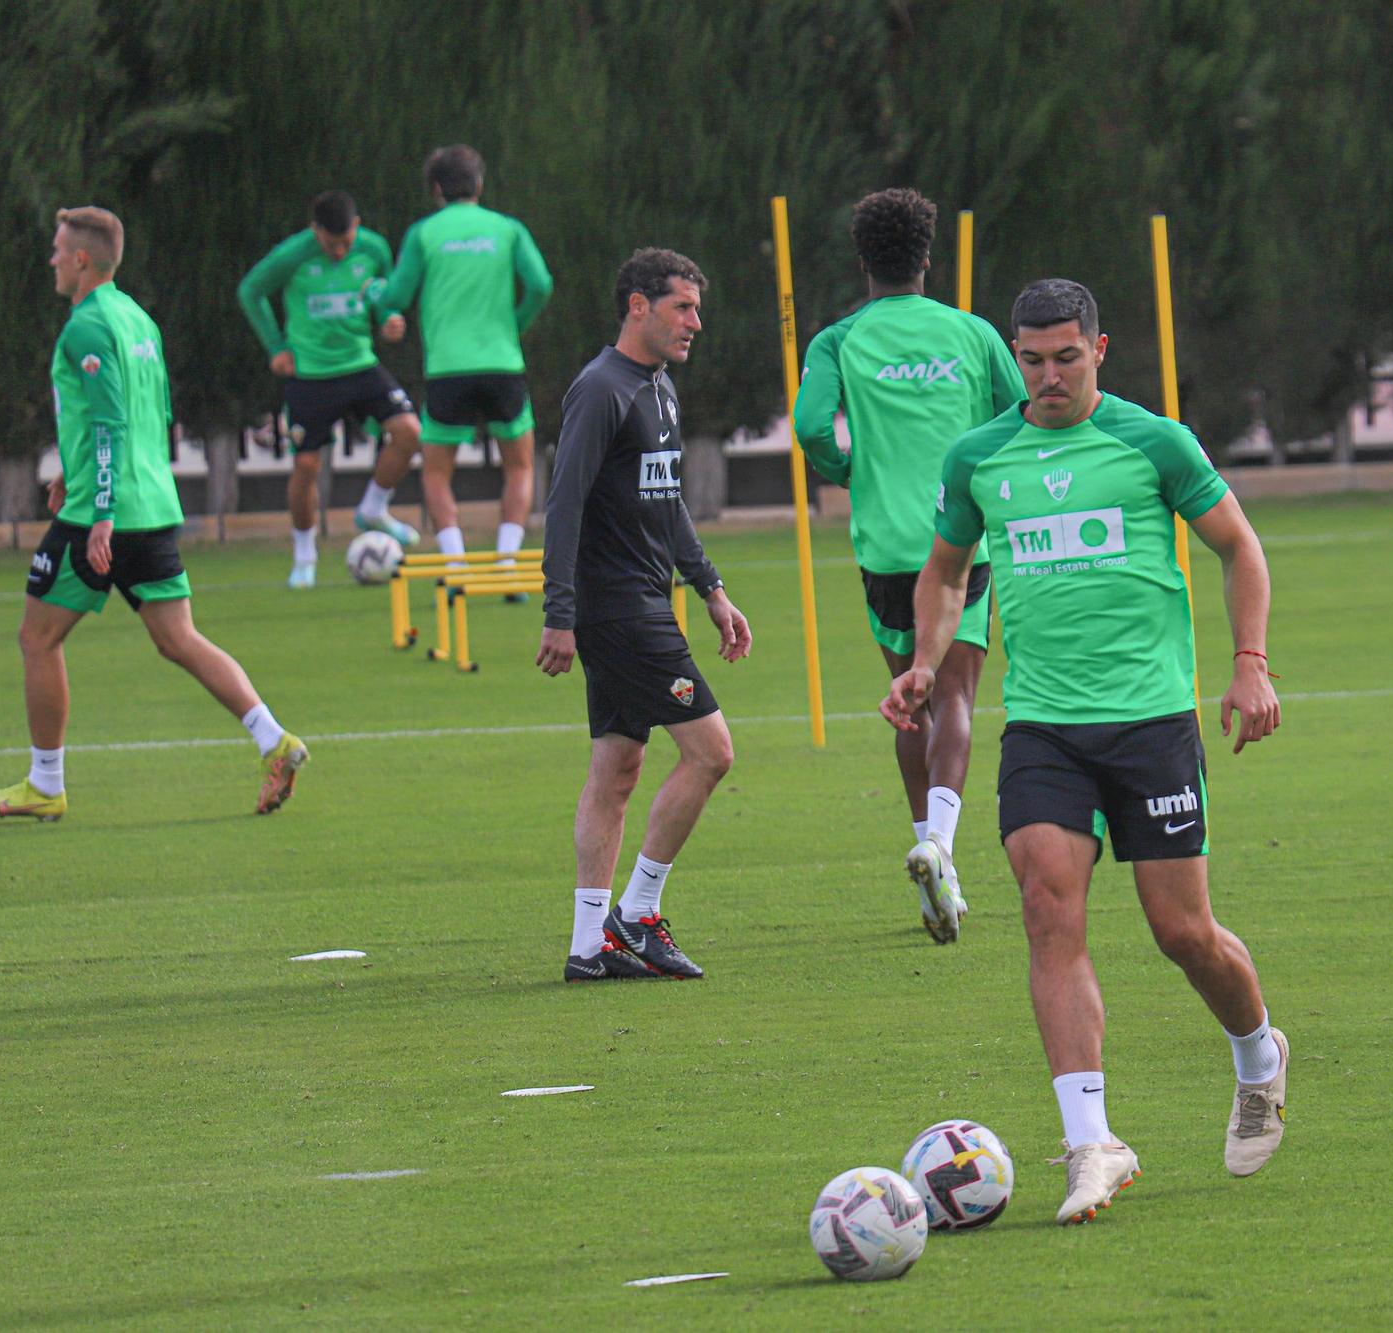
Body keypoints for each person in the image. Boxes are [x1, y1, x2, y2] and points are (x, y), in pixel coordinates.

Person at [882, 279, 1287, 1225]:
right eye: (1033, 359)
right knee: (1044, 905)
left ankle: (1259, 1053)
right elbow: (945, 570)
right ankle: (1091, 1143)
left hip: (1150, 722)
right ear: (1014, 359)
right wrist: (928, 662)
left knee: (1183, 932)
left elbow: (1240, 547)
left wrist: (1250, 665)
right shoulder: (981, 456)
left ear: (1100, 349)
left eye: (1068, 355)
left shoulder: (1155, 442)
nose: (1050, 374)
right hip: (1045, 727)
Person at [0, 208, 307, 822]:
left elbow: (110, 421)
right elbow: (149, 419)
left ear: (82, 260)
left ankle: (45, 783)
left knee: (37, 637)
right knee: (177, 638)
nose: (51, 259)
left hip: (103, 517)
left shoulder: (85, 326)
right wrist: (78, 479)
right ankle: (275, 740)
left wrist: (99, 508)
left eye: (57, 251)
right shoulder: (139, 320)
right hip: (152, 504)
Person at [793, 188, 1024, 945]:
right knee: (954, 689)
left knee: (907, 695)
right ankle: (943, 850)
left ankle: (930, 843)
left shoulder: (837, 340)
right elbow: (1017, 415)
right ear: (928, 257)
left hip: (886, 545)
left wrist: (851, 470)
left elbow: (808, 427)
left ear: (863, 261)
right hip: (959, 539)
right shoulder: (971, 332)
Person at [538, 248, 751, 982]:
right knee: (712, 751)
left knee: (618, 767)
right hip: (617, 610)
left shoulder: (658, 386)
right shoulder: (601, 389)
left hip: (643, 599)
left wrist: (711, 587)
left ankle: (589, 943)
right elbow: (562, 503)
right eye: (682, 307)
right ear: (638, 305)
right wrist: (558, 613)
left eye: (696, 308)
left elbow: (667, 506)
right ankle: (638, 911)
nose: (696, 321)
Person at [368, 144, 553, 566]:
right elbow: (541, 284)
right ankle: (507, 560)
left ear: (435, 189)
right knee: (519, 466)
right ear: (480, 184)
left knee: (436, 471)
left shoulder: (424, 233)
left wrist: (375, 294)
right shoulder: (506, 229)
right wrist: (515, 324)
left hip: (448, 368)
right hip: (503, 362)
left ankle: (455, 562)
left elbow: (396, 295)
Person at [236, 189, 425, 588]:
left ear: (357, 227)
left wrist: (389, 319)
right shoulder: (292, 255)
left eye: (346, 242)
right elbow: (250, 291)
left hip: (360, 364)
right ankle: (305, 554)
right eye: (330, 243)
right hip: (311, 374)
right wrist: (276, 346)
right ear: (315, 231)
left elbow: (383, 297)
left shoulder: (374, 248)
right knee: (306, 465)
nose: (339, 251)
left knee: (408, 431)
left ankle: (373, 509)